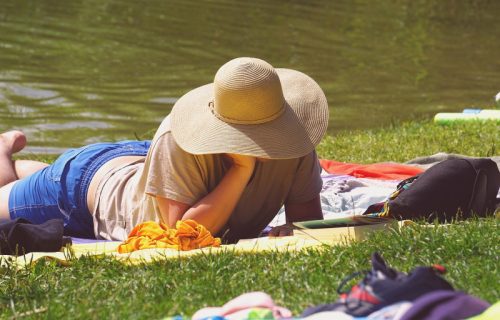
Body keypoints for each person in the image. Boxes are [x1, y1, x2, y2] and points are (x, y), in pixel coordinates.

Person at [0, 57, 329, 243]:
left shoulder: (294, 143)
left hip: (138, 166)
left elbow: (307, 220)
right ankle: (4, 153)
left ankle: (21, 166)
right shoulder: (179, 140)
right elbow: (182, 236)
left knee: (29, 177)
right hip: (85, 191)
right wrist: (241, 170)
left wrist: (294, 232)